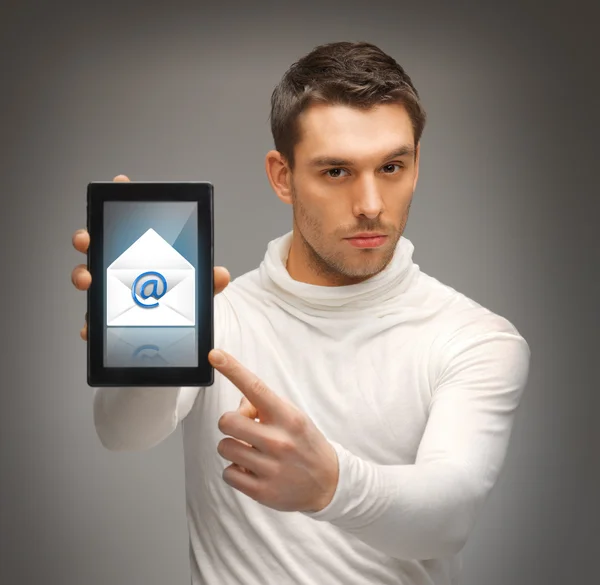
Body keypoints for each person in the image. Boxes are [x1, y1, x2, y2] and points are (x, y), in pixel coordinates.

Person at [71, 41, 531, 585]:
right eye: (336, 171)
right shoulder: (218, 319)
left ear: (416, 163)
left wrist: (330, 485)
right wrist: (143, 343)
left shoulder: (475, 338)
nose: (370, 204)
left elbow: (449, 515)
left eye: (391, 166)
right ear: (282, 175)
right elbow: (122, 433)